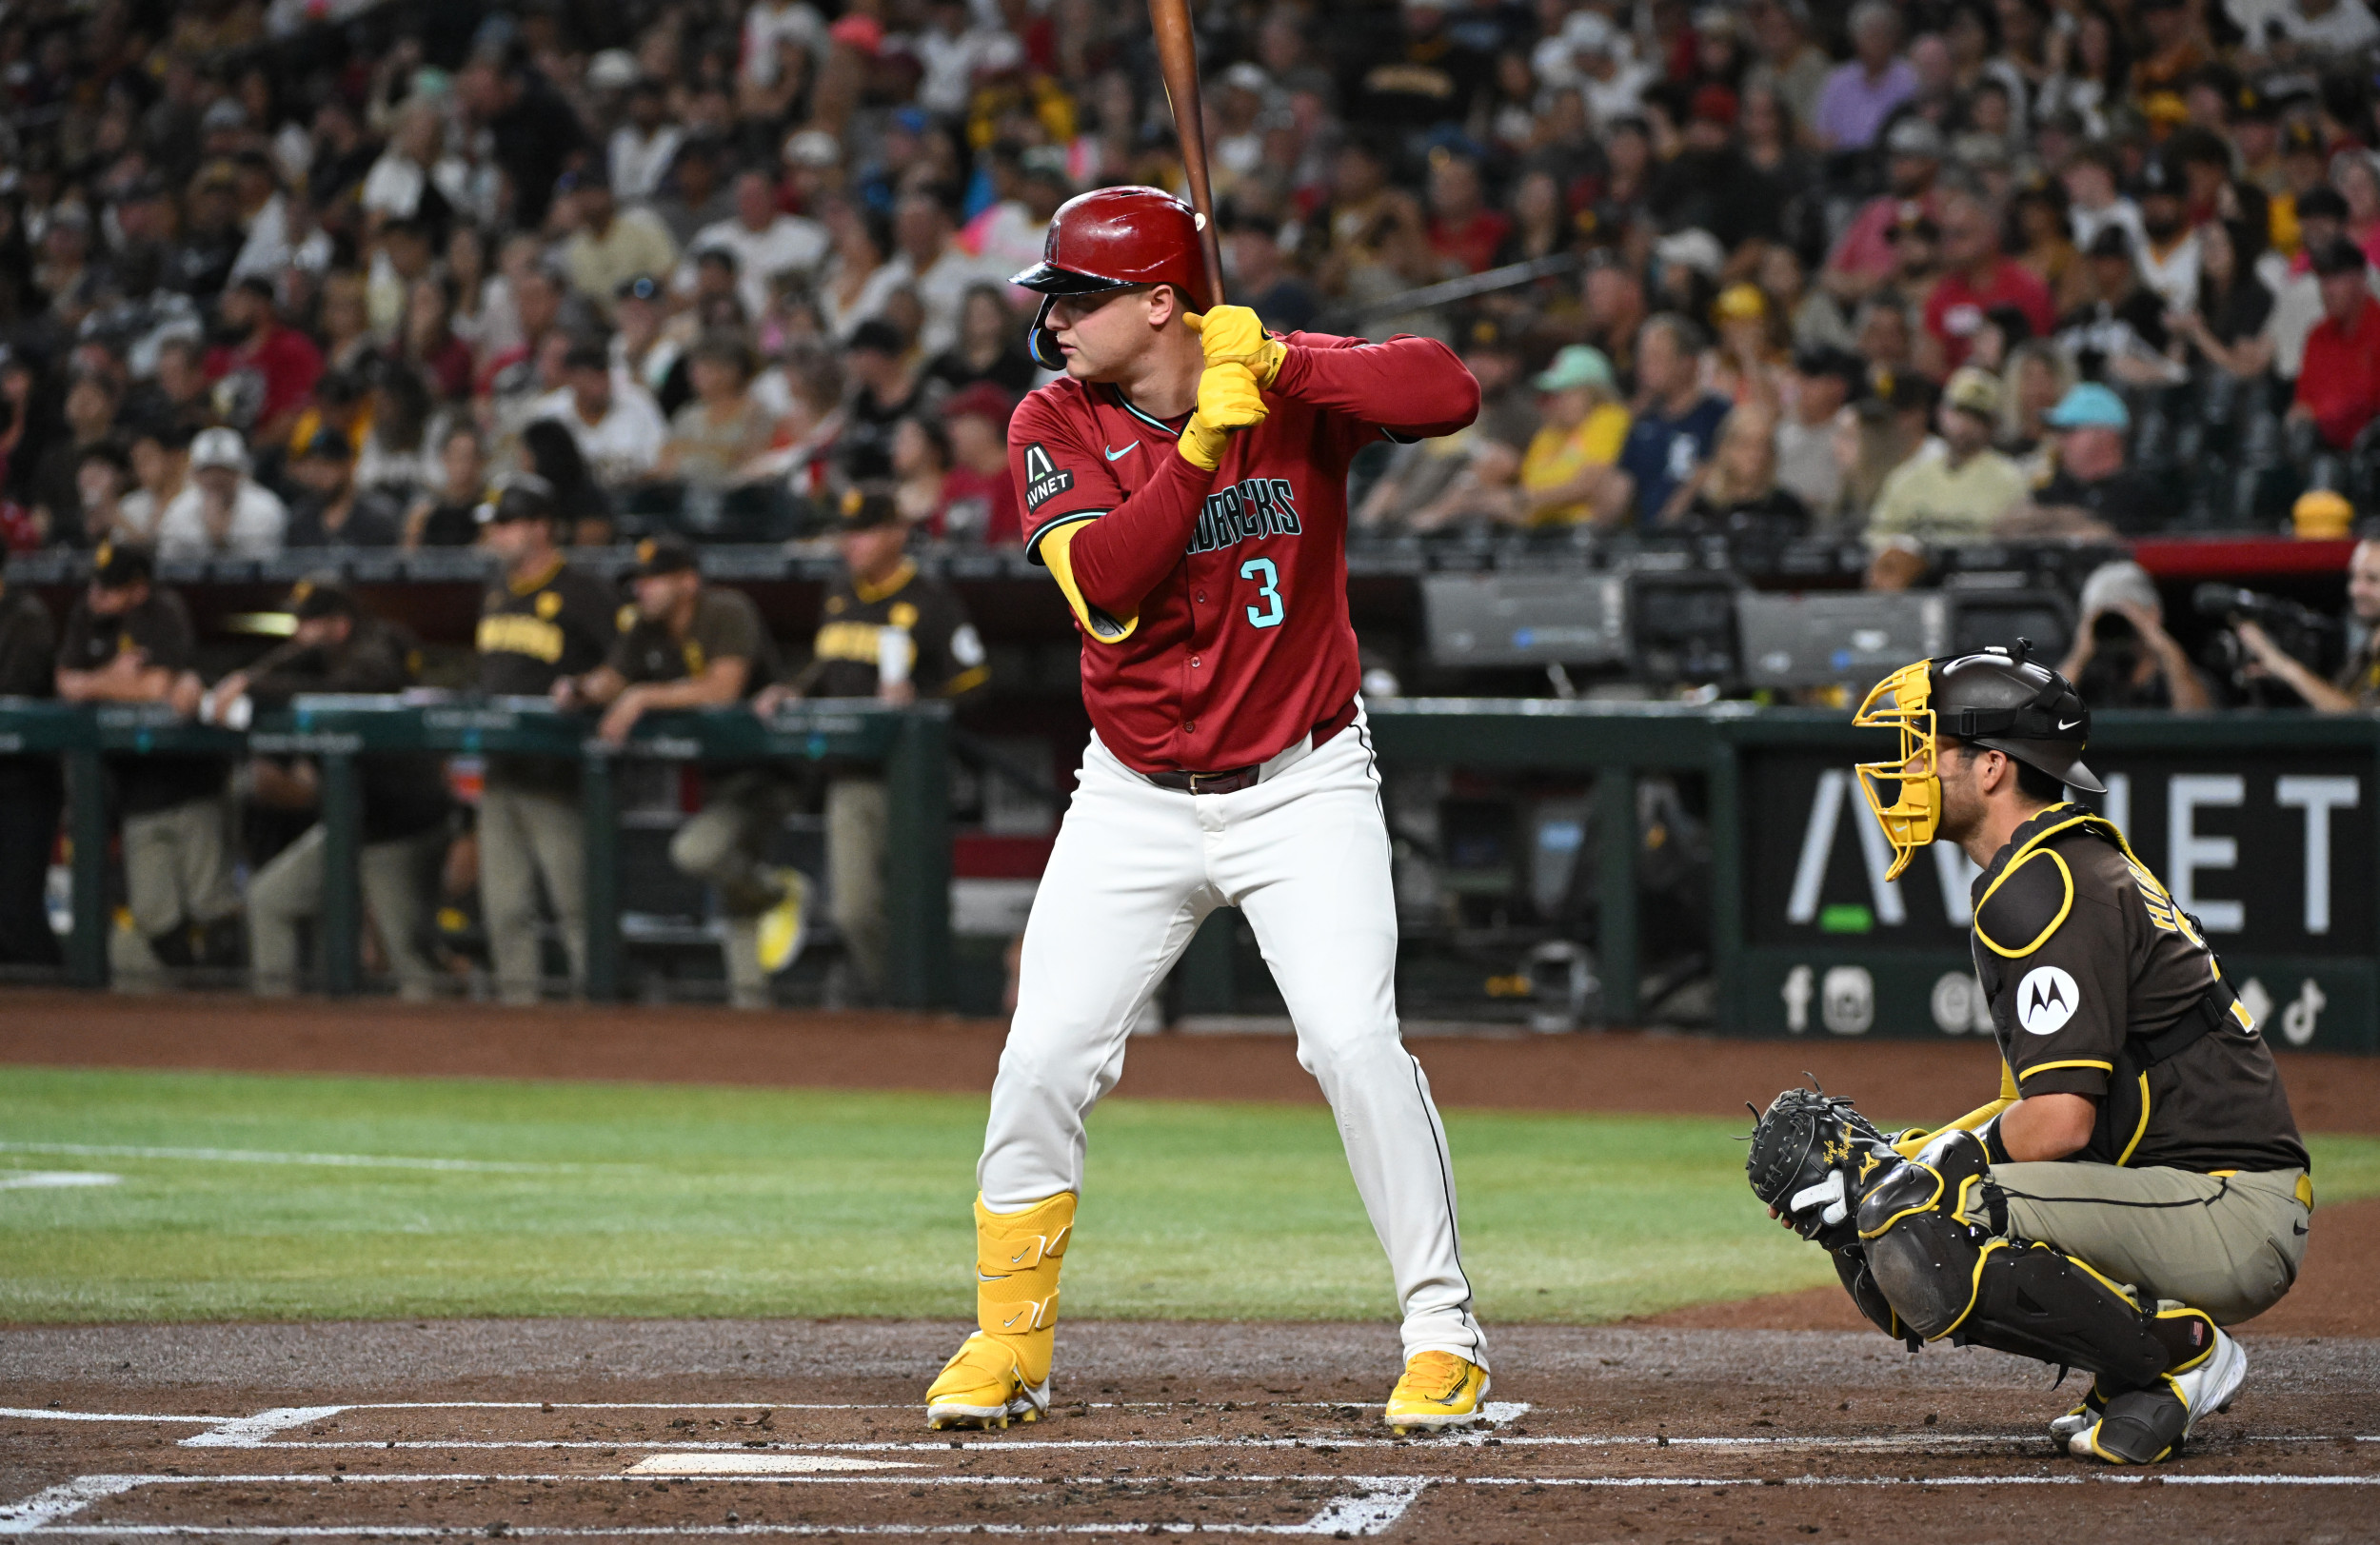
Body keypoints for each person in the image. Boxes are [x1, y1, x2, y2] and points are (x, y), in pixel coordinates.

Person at [923, 185, 1489, 1436]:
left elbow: (1449, 390)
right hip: (1133, 794)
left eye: (1078, 295)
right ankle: (1007, 1345)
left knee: (1350, 1042)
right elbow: (1109, 587)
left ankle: (1443, 1333)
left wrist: (1285, 355)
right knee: (1041, 1055)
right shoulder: (1050, 415)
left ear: (1163, 302)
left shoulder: (1283, 386)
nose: (1054, 318)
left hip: (1302, 778)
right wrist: (1195, 447)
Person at [1756, 644, 2308, 1466]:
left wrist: (1924, 1172)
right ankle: (2138, 1369)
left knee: (1919, 1213)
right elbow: (2034, 1109)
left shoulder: (2045, 884)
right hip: (2180, 1191)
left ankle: (2172, 1355)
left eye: (1925, 746)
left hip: (2226, 1209)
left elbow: (2055, 1125)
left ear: (1989, 767)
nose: (1907, 768)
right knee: (1899, 1197)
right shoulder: (2049, 865)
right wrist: (1910, 1155)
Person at [756, 490, 986, 1001]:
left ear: (896, 533)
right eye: (846, 532)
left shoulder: (929, 598)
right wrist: (793, 688)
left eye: (862, 532)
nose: (850, 543)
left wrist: (918, 698)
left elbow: (974, 680)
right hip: (849, 774)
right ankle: (890, 1000)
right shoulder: (839, 590)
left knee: (915, 902)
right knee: (852, 909)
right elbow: (830, 663)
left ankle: (923, 1002)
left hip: (912, 777)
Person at [555, 538, 803, 1009]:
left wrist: (643, 696)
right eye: (638, 581)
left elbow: (723, 689)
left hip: (769, 771)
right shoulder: (646, 627)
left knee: (699, 853)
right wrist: (580, 689)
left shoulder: (727, 609)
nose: (642, 590)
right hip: (719, 776)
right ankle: (752, 1005)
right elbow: (613, 678)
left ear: (688, 581)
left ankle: (775, 893)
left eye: (654, 579)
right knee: (732, 885)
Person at [220, 579, 450, 1000]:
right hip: (352, 821)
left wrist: (258, 687)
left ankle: (441, 1054)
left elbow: (354, 690)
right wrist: (244, 680)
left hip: (399, 825)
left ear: (338, 626)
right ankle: (277, 1032)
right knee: (270, 900)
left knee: (408, 959)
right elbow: (271, 671)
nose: (297, 634)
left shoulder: (377, 646)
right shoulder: (315, 655)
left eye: (306, 624)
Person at [53, 542, 240, 974]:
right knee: (155, 917)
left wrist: (93, 683)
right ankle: (195, 998)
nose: (97, 595)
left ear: (139, 589)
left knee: (213, 909)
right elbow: (65, 683)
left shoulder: (163, 610)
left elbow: (157, 687)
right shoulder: (88, 614)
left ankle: (232, 1012)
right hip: (135, 789)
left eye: (111, 588)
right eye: (97, 585)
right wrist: (112, 678)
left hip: (191, 780)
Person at [471, 476, 617, 1004]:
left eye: (507, 524)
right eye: (495, 526)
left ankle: (600, 1011)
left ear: (541, 527)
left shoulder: (582, 590)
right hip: (501, 769)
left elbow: (622, 663)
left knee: (575, 903)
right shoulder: (495, 589)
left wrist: (587, 690)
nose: (497, 535)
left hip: (560, 772)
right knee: (504, 908)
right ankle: (521, 1022)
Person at [1866, 366, 2031, 554]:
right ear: (1941, 412)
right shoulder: (1910, 476)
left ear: (1993, 425)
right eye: (1960, 412)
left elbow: (2015, 543)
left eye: (1977, 417)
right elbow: (1877, 535)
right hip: (1916, 576)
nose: (1965, 425)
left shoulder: (2010, 479)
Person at [2231, 533, 2380, 711]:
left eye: (2372, 579)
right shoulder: (2367, 650)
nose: (2356, 590)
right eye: (2354, 577)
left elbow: (2357, 722)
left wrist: (2282, 665)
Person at [1614, 314, 1732, 526]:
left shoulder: (1720, 415)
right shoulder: (1643, 422)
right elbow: (1620, 487)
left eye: (1656, 357)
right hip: (1648, 542)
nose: (1644, 366)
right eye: (1642, 357)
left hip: (1702, 537)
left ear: (1687, 363)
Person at [0, 575, 61, 970]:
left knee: (17, 913)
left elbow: (16, 689)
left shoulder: (27, 617)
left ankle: (64, 1006)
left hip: (23, 785)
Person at [2056, 559, 2213, 710]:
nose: (2115, 626)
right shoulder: (2087, 680)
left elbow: (2197, 722)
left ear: (2153, 614)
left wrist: (2160, 643)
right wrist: (2078, 656)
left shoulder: (2179, 675)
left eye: (2122, 618)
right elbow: (2041, 716)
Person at [2009, 383, 2163, 537]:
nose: (2060, 441)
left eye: (2069, 430)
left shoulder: (2139, 494)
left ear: (2105, 435)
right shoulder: (2057, 487)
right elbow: (2011, 526)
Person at [1515, 345, 1631, 525]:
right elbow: (1528, 484)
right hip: (1540, 530)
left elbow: (1589, 483)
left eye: (1566, 392)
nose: (1557, 401)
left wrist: (1535, 498)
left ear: (1593, 392)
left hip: (1586, 532)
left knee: (1617, 485)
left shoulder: (1609, 417)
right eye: (1554, 394)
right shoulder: (1550, 431)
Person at [2290, 238, 2380, 453]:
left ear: (2360, 279)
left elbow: (2368, 402)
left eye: (2336, 279)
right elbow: (2302, 404)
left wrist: (2320, 414)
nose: (2328, 290)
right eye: (2323, 280)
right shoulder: (2317, 336)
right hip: (2321, 447)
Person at [156, 427, 288, 560]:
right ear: (195, 474)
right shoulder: (179, 509)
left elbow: (267, 567)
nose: (215, 478)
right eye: (207, 470)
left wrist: (221, 538)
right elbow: (168, 565)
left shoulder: (265, 508)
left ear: (240, 472)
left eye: (224, 470)